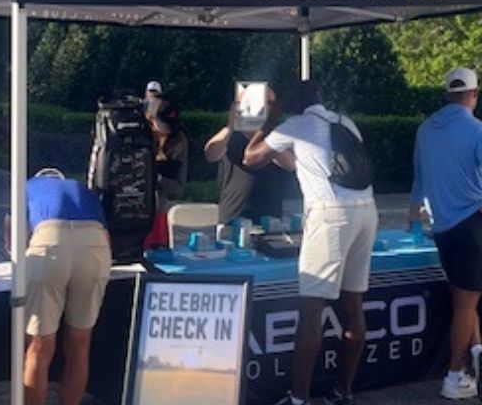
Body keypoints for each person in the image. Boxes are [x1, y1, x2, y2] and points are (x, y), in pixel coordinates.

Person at [244, 80, 378, 405]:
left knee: (311, 310)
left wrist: (270, 119)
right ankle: (343, 391)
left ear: (292, 104)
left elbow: (251, 157)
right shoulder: (344, 122)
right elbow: (299, 162)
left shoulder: (296, 125)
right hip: (367, 211)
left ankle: (299, 398)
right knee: (353, 304)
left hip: (331, 215)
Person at [410, 68, 482, 403]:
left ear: (447, 94)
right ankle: (453, 375)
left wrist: (413, 212)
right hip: (473, 223)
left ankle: (476, 350)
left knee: (463, 297)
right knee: (466, 302)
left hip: (442, 227)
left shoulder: (425, 129)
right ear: (474, 95)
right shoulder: (479, 130)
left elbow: (419, 176)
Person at [18, 168, 112, 405]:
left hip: (50, 241)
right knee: (80, 344)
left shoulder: (26, 186)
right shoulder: (83, 189)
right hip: (94, 245)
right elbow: (106, 238)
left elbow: (14, 243)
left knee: (39, 347)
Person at [204, 86, 291, 224]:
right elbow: (211, 154)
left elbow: (290, 164)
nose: (271, 107)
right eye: (267, 103)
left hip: (270, 218)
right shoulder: (232, 135)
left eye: (272, 103)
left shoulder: (278, 136)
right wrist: (231, 126)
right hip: (233, 215)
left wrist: (264, 136)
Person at [145, 99, 188, 214]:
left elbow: (178, 187)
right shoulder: (143, 136)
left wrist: (156, 176)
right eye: (163, 125)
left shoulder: (178, 138)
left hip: (162, 195)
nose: (168, 131)